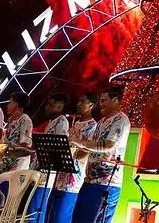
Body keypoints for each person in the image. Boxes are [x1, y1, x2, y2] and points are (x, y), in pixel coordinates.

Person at [71, 86, 130, 223]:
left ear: (115, 100)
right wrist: (72, 148)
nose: (100, 104)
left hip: (107, 183)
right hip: (90, 180)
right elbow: (88, 148)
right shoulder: (101, 122)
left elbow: (109, 145)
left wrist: (79, 142)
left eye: (104, 100)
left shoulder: (120, 120)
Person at [48, 94, 98, 223]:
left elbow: (85, 152)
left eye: (83, 101)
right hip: (60, 175)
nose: (79, 104)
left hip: (73, 179)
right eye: (78, 101)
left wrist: (67, 154)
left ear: (91, 105)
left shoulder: (93, 126)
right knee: (51, 215)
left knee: (61, 216)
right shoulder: (74, 123)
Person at [27, 93, 71, 219]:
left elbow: (58, 146)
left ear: (59, 107)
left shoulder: (62, 122)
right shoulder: (52, 122)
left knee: (35, 209)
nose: (46, 107)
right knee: (31, 208)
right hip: (39, 171)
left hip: (46, 174)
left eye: (50, 105)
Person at [2, 92, 34, 172]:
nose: (7, 105)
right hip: (8, 160)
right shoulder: (11, 120)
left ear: (16, 105)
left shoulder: (25, 120)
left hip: (18, 164)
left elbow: (24, 144)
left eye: (10, 102)